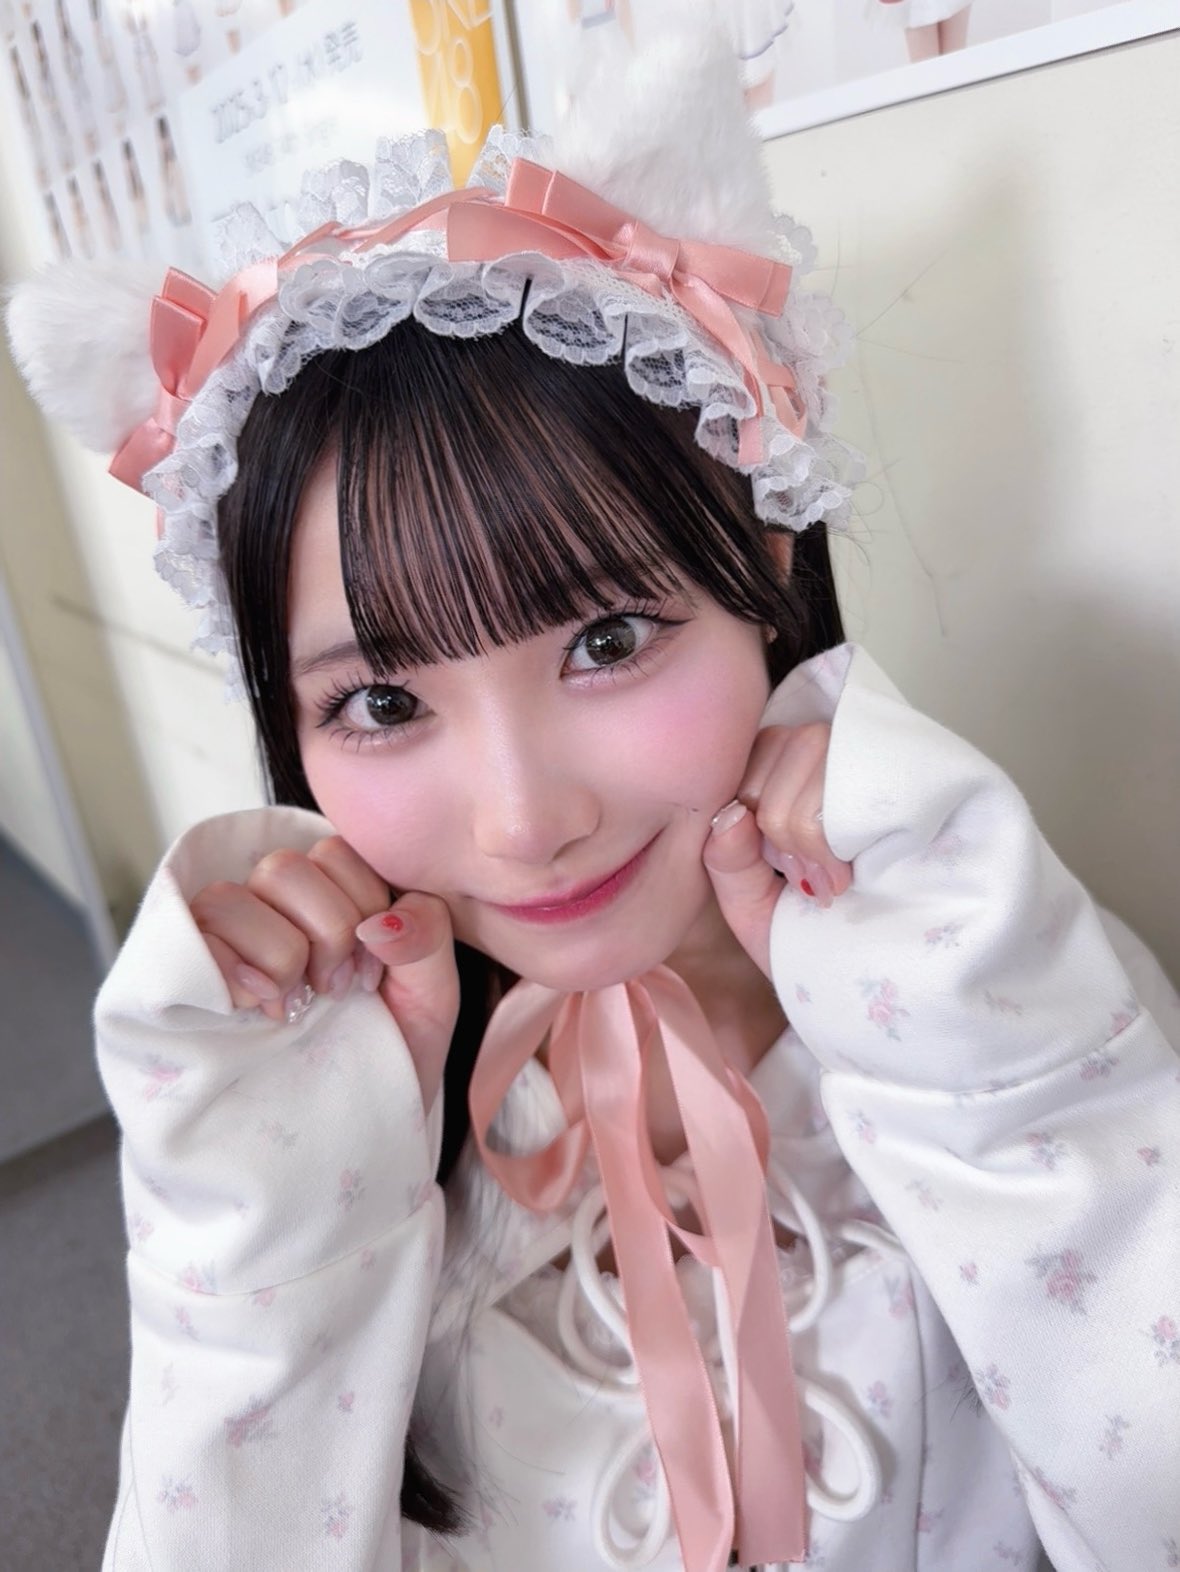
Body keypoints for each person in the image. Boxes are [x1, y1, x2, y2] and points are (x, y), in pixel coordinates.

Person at [6, 19, 1178, 1572]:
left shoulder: (976, 973)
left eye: (607, 641)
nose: (522, 822)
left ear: (766, 558)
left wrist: (990, 1055)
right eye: (382, 702)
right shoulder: (334, 1102)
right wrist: (262, 1241)